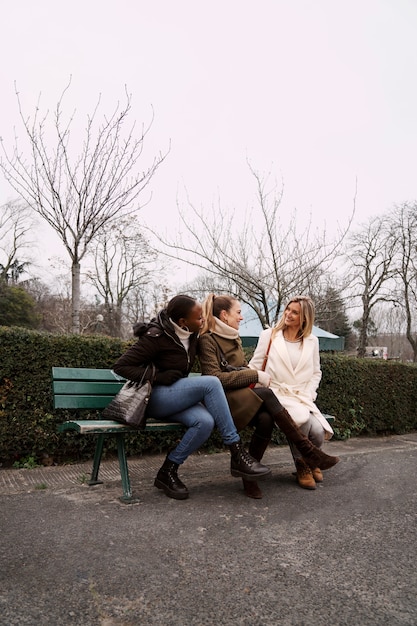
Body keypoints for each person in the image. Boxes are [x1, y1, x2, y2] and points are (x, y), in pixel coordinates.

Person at [112, 294, 271, 501]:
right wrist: (158, 376)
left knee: (204, 421)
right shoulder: (156, 336)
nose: (203, 320)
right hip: (154, 398)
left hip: (176, 396)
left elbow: (216, 358)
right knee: (211, 383)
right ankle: (237, 452)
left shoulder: (193, 335)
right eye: (199, 318)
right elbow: (120, 367)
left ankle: (167, 471)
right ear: (182, 322)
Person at [199, 294, 340, 498]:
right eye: (238, 312)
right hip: (224, 399)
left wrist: (252, 375)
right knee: (268, 394)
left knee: (267, 419)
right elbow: (216, 378)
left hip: (256, 395)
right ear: (224, 314)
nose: (241, 318)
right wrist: (256, 375)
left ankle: (249, 476)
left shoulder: (233, 336)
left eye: (295, 312)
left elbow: (241, 369)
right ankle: (307, 453)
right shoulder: (208, 339)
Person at [249, 295, 337, 490]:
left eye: (294, 312)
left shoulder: (312, 341)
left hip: (301, 396)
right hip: (276, 395)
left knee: (318, 433)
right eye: (287, 310)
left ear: (304, 317)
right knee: (301, 420)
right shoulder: (269, 335)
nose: (288, 314)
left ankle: (311, 461)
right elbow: (255, 366)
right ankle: (302, 466)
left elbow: (316, 372)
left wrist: (310, 394)